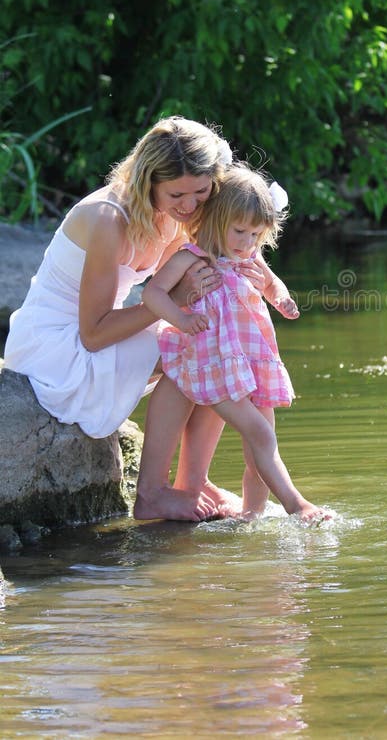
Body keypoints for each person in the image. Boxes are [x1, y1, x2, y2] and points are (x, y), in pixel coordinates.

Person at [4, 115, 260, 521]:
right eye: (177, 194)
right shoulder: (108, 218)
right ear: (148, 182)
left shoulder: (175, 214)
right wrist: (171, 300)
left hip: (102, 329)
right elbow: (93, 333)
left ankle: (195, 482)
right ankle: (152, 493)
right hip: (59, 344)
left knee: (217, 345)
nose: (190, 205)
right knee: (193, 352)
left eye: (201, 191)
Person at [141, 163, 327, 522]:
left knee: (260, 443)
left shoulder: (251, 258)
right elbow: (153, 294)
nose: (248, 243)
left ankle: (251, 519)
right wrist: (181, 318)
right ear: (215, 220)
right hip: (211, 362)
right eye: (240, 231)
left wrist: (282, 299)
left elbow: (273, 285)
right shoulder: (191, 257)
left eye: (256, 235)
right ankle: (296, 505)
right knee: (259, 432)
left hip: (251, 362)